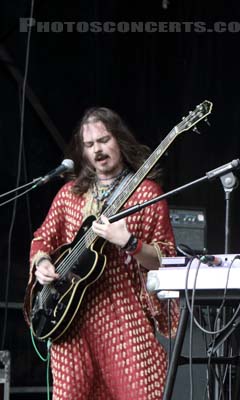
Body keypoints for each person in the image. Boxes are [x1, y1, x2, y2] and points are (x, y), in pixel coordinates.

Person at [23, 107, 178, 400]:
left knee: (142, 392)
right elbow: (42, 238)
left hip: (124, 315)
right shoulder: (70, 194)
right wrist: (42, 261)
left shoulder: (146, 194)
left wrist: (130, 242)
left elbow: (165, 258)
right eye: (90, 145)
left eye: (104, 140)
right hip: (70, 321)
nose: (98, 150)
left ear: (119, 140)